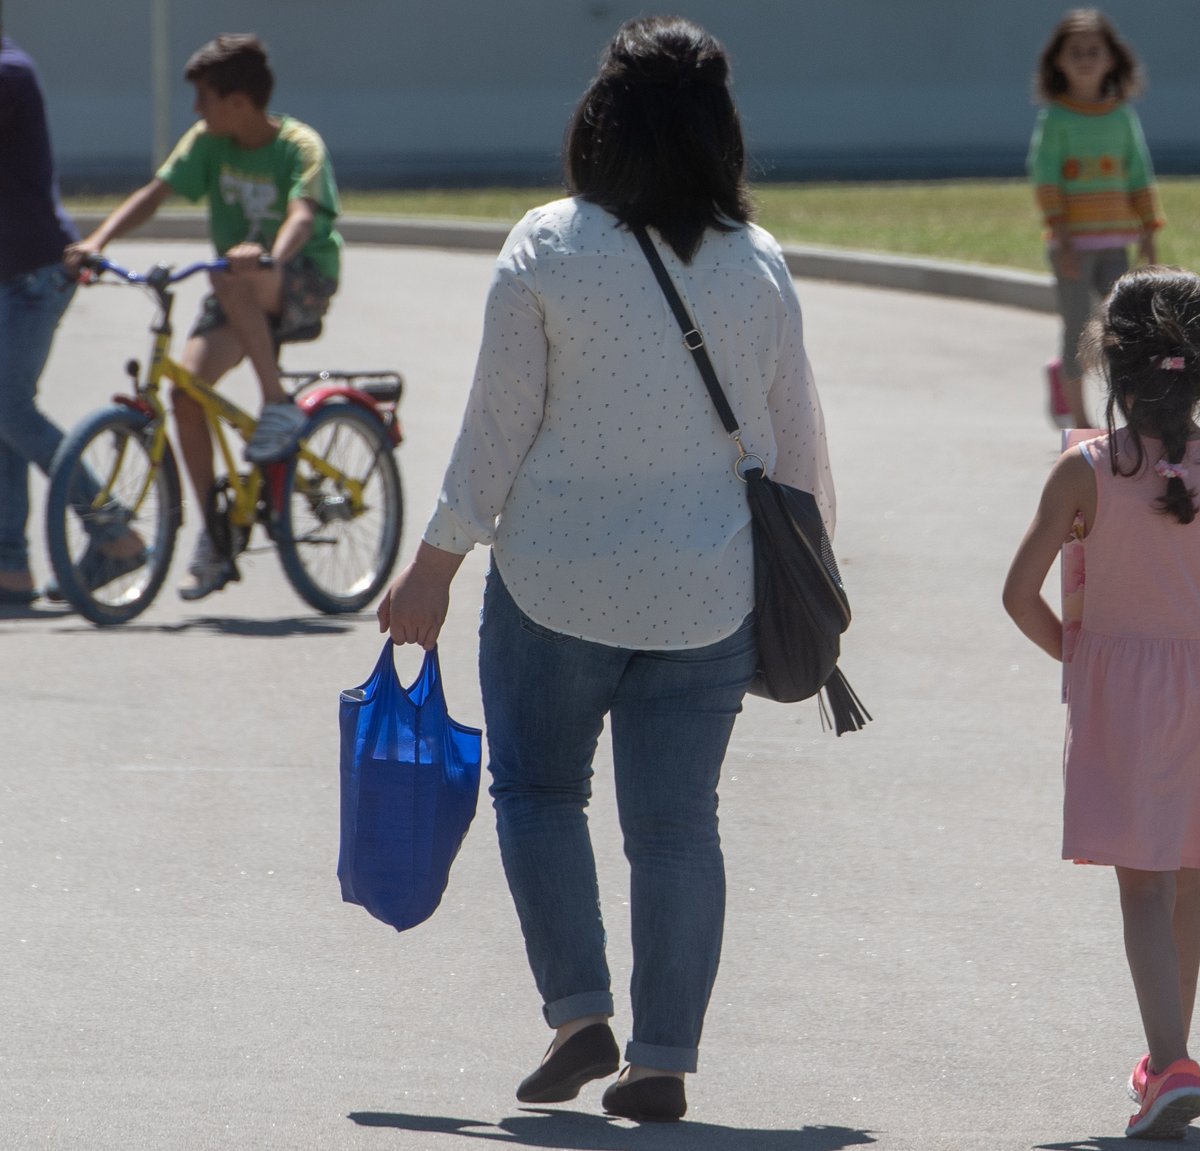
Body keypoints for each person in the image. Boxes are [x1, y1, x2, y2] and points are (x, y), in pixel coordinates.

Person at [379, 16, 834, 1125]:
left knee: (539, 793)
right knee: (677, 827)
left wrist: (432, 567)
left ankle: (579, 1010)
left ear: (598, 122)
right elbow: (796, 445)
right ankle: (664, 1053)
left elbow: (495, 430)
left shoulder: (545, 245)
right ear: (720, 132)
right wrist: (817, 583)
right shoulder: (756, 262)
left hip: (552, 585)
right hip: (707, 592)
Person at [1003, 268, 1200, 1139]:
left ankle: (1171, 1063)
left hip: (1120, 685)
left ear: (1112, 365)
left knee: (1140, 887)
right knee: (1183, 882)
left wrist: (1080, 651)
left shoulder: (1085, 470)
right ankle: (1166, 1048)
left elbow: (1019, 593)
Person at [65, 33, 342, 601]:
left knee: (228, 274)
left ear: (238, 101)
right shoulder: (208, 143)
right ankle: (217, 535)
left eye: (205, 98)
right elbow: (155, 193)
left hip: (299, 277)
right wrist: (96, 240)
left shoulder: (298, 145)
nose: (196, 110)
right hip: (237, 285)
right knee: (185, 394)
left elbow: (302, 214)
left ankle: (278, 407)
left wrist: (270, 258)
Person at [1028, 8, 1163, 429]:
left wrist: (1148, 231)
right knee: (1076, 330)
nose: (1085, 58)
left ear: (1111, 59)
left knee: (1122, 331)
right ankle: (1082, 423)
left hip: (1114, 244)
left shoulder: (1122, 116)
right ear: (1058, 62)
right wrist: (1063, 238)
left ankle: (1131, 416)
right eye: (1075, 52)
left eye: (1094, 50)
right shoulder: (1056, 119)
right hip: (1072, 246)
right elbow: (1046, 178)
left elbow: (1139, 173)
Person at [0, 16, 81, 605]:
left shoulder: (10, 72)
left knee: (6, 405)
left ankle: (113, 526)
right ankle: (11, 568)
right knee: (3, 414)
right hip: (10, 274)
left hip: (35, 274)